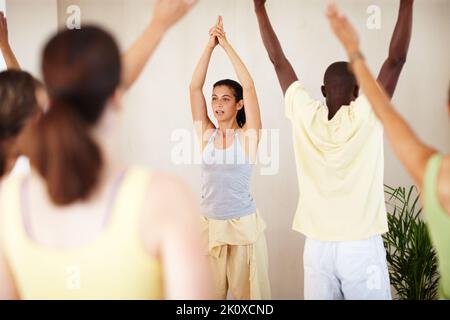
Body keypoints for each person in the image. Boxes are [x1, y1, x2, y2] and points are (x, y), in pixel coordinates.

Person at [0, 0, 211, 300]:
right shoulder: (163, 197)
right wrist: (157, 25)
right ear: (116, 96)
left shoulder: (7, 206)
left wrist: (157, 26)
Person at [254, 0, 414, 299]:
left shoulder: (305, 114)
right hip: (360, 247)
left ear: (323, 90)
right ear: (358, 91)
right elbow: (396, 60)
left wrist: (259, 8)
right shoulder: (368, 112)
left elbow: (278, 62)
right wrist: (407, 3)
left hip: (317, 249)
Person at [326, 2, 449, 300]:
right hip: (324, 244)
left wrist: (353, 51)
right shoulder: (312, 120)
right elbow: (393, 65)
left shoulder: (437, 176)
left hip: (360, 243)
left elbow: (393, 65)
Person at [189, 16, 271, 300]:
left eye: (225, 99)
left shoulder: (248, 138)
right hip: (209, 228)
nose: (217, 104)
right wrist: (209, 46)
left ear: (238, 105)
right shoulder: (206, 135)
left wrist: (226, 44)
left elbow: (249, 88)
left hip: (243, 229)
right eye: (214, 98)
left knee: (247, 300)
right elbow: (193, 88)